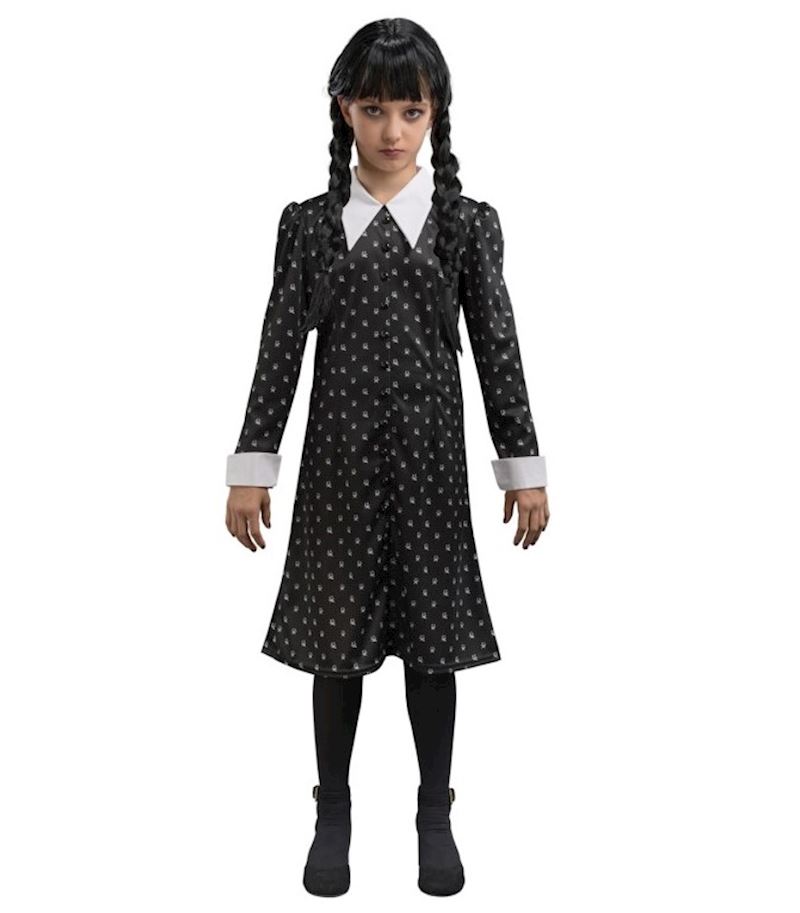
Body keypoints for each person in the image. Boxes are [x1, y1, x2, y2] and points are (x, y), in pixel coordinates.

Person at [224, 17, 550, 897]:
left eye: (410, 111)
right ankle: (332, 810)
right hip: (337, 467)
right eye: (374, 109)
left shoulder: (464, 225)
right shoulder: (310, 226)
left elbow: (498, 349)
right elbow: (279, 346)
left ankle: (433, 812)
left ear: (436, 111)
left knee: (432, 646)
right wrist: (253, 466)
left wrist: (522, 464)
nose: (393, 131)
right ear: (345, 110)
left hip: (432, 468)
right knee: (335, 647)